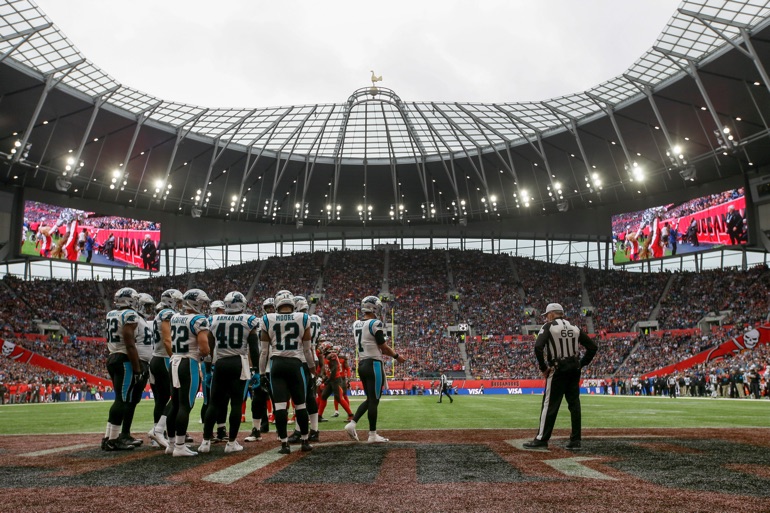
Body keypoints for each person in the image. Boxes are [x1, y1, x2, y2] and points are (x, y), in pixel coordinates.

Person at [523, 303, 597, 450]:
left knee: (549, 405)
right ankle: (575, 440)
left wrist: (543, 368)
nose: (546, 318)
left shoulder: (548, 326)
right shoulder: (575, 327)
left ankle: (542, 439)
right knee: (574, 405)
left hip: (558, 369)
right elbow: (593, 347)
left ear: (551, 314)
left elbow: (538, 347)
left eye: (547, 315)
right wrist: (581, 364)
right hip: (574, 369)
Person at [199, 291, 260, 454]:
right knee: (236, 403)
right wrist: (257, 370)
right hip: (239, 363)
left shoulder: (214, 319)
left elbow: (209, 348)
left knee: (214, 403)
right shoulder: (249, 320)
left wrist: (208, 369)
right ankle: (231, 442)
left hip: (220, 363)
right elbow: (254, 349)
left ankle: (205, 442)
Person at [259, 290, 316, 454]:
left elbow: (264, 352)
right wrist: (312, 371)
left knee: (279, 407)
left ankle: (284, 444)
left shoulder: (267, 319)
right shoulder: (303, 318)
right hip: (296, 364)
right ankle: (305, 441)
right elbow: (307, 350)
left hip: (276, 364)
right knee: (300, 405)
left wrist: (262, 373)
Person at [344, 295, 406, 444]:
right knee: (374, 400)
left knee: (370, 399)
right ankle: (372, 435)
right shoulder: (375, 323)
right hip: (374, 364)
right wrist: (397, 356)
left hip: (362, 364)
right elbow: (383, 347)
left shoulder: (356, 324)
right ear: (374, 308)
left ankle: (352, 424)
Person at [166, 289, 211, 457]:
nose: (204, 306)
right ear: (195, 303)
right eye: (202, 303)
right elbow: (204, 348)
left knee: (175, 404)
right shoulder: (199, 320)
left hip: (174, 361)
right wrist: (204, 355)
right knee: (185, 405)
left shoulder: (175, 317)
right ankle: (180, 446)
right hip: (188, 362)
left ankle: (171, 444)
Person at [101, 287, 143, 451]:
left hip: (113, 356)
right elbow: (129, 343)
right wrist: (137, 368)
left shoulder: (111, 314)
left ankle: (108, 437)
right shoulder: (129, 314)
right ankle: (113, 440)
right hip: (123, 358)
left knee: (119, 398)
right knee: (122, 400)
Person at [147, 288, 182, 449]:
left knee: (161, 400)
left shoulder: (159, 314)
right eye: (178, 301)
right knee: (175, 397)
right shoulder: (167, 314)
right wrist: (174, 357)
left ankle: (158, 435)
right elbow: (168, 340)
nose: (180, 305)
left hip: (157, 357)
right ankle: (158, 430)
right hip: (164, 358)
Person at [120, 292, 155, 446]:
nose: (149, 309)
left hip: (144, 363)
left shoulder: (141, 320)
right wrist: (137, 367)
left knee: (134, 400)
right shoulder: (134, 319)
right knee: (129, 400)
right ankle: (122, 434)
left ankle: (125, 433)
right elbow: (130, 342)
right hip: (138, 362)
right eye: (146, 306)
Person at [245, 297, 275, 442]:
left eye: (272, 307)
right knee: (257, 399)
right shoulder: (259, 322)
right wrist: (254, 367)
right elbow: (252, 348)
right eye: (267, 307)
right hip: (262, 367)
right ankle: (258, 429)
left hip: (275, 365)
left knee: (278, 399)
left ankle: (282, 432)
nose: (270, 310)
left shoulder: (279, 322)